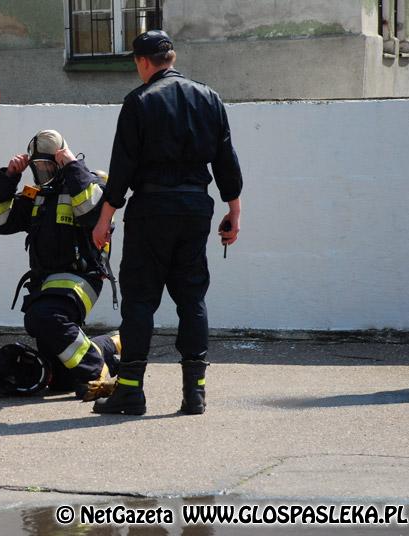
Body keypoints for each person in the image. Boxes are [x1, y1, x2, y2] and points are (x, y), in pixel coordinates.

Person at [91, 30, 243, 416]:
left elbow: (122, 169)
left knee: (140, 301)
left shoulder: (139, 101)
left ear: (142, 62)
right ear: (170, 58)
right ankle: (195, 394)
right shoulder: (209, 98)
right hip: (196, 207)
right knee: (192, 298)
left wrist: (104, 221)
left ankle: (130, 392)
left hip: (152, 209)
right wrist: (234, 212)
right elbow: (225, 160)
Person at [0, 129, 120, 400]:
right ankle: (113, 344)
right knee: (62, 379)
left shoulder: (88, 182)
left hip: (81, 276)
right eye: (39, 167)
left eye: (50, 165)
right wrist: (8, 177)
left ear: (61, 160)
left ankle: (97, 370)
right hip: (45, 284)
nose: (45, 172)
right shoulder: (36, 195)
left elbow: (92, 214)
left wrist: (73, 167)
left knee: (44, 317)